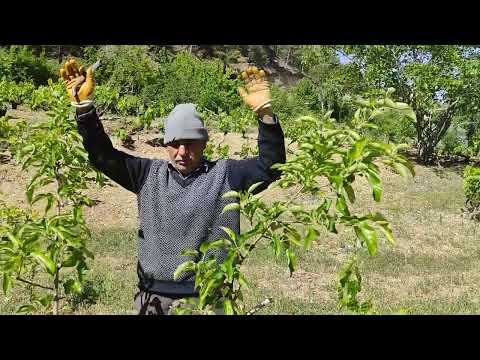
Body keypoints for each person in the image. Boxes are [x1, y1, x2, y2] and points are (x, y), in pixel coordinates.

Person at [60, 58, 286, 315]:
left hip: (209, 299)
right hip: (153, 300)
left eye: (190, 143)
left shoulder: (226, 175)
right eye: (174, 143)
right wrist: (84, 109)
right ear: (165, 143)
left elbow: (271, 166)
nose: (181, 152)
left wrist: (265, 114)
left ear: (204, 143)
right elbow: (103, 156)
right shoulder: (147, 174)